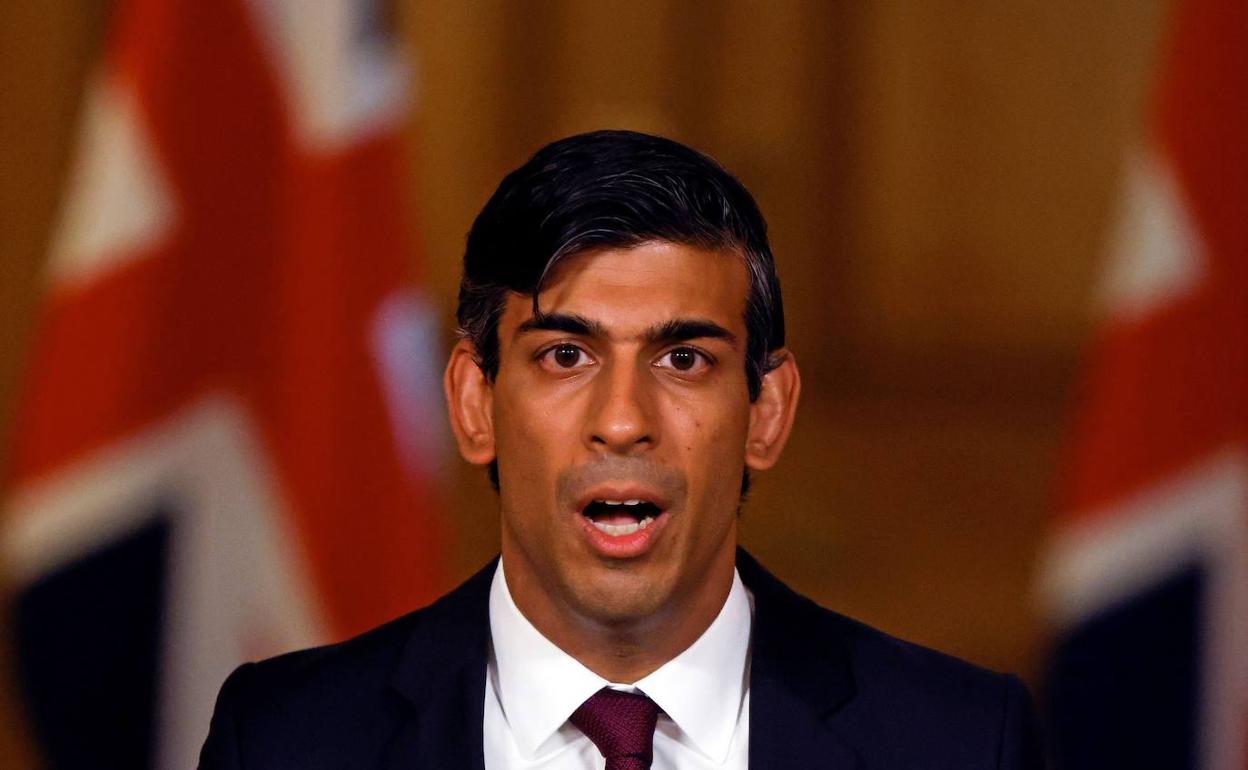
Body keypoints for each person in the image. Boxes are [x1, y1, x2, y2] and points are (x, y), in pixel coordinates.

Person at [198, 130, 1043, 769]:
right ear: (473, 402)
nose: (623, 419)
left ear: (766, 411)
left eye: (684, 360)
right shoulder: (284, 740)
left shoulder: (963, 743)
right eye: (566, 356)